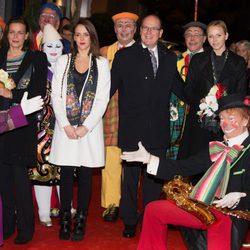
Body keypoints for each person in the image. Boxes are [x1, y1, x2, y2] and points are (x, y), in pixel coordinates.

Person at [121, 93, 250, 250]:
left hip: (229, 216)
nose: (225, 124)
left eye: (231, 119)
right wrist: (150, 159)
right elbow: (184, 167)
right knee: (154, 210)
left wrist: (240, 197)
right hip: (204, 208)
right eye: (222, 118)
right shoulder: (216, 147)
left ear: (245, 120)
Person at [110, 14, 184, 238]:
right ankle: (130, 221)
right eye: (145, 28)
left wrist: (207, 102)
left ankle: (149, 221)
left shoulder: (170, 58)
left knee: (153, 182)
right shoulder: (124, 56)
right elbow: (108, 89)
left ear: (161, 33)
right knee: (130, 181)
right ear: (140, 30)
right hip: (132, 131)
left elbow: (181, 90)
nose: (149, 32)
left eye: (154, 29)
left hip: (158, 131)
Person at [49, 18, 110, 241]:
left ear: (92, 37)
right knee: (66, 174)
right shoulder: (63, 61)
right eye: (77, 34)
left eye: (86, 34)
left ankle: (81, 220)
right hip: (65, 127)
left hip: (89, 129)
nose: (81, 38)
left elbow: (102, 98)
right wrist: (65, 124)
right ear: (73, 38)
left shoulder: (102, 63)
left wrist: (86, 126)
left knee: (85, 173)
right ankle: (65, 218)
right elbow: (55, 95)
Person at [0, 16, 47, 244]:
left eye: (20, 33)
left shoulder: (37, 58)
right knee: (3, 183)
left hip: (21, 125)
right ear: (6, 34)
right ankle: (7, 225)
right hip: (0, 126)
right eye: (12, 32)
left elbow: (39, 93)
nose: (16, 37)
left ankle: (26, 228)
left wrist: (11, 94)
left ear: (27, 35)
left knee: (20, 181)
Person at [178, 20, 248, 161]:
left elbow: (241, 93)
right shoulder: (198, 59)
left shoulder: (238, 61)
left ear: (226, 36)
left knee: (222, 165)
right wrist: (202, 102)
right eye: (211, 36)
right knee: (196, 164)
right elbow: (188, 90)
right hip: (199, 119)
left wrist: (223, 105)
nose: (214, 40)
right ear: (206, 38)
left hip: (226, 120)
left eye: (218, 35)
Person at [100, 11, 138, 223]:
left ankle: (130, 203)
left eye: (128, 25)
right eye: (120, 25)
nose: (124, 29)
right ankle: (112, 203)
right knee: (111, 159)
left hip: (135, 113)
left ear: (135, 29)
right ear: (115, 29)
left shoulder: (143, 51)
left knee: (134, 161)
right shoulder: (105, 52)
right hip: (111, 111)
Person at [29, 24, 63, 227]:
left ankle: (65, 204)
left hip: (64, 129)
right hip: (41, 129)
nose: (53, 50)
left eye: (57, 46)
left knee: (64, 169)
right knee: (42, 170)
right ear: (41, 48)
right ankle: (43, 211)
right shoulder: (35, 70)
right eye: (48, 46)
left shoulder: (68, 69)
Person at [167, 21, 207, 160]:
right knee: (172, 160)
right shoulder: (174, 60)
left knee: (196, 159)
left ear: (204, 39)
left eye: (197, 34)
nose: (192, 38)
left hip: (199, 118)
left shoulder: (211, 61)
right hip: (175, 118)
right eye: (188, 34)